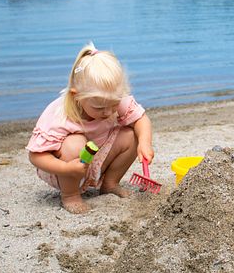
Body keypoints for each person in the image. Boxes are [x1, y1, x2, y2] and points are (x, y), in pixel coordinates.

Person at [26, 42, 153, 214]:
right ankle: (70, 195)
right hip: (64, 168)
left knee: (133, 134)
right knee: (74, 143)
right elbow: (36, 156)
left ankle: (110, 184)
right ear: (76, 96)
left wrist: (144, 143)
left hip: (97, 160)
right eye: (99, 108)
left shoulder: (111, 98)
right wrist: (66, 168)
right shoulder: (60, 114)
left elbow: (141, 119)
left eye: (113, 104)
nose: (108, 112)